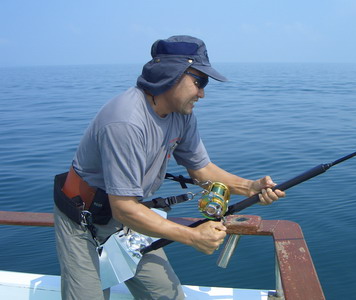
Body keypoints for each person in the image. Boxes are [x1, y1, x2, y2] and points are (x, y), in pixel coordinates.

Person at [54, 35, 285, 300]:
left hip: (130, 216)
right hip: (84, 222)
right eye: (200, 81)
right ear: (171, 75)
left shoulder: (182, 115)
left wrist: (251, 187)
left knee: (169, 296)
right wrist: (192, 236)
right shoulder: (125, 122)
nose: (202, 93)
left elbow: (201, 170)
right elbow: (124, 207)